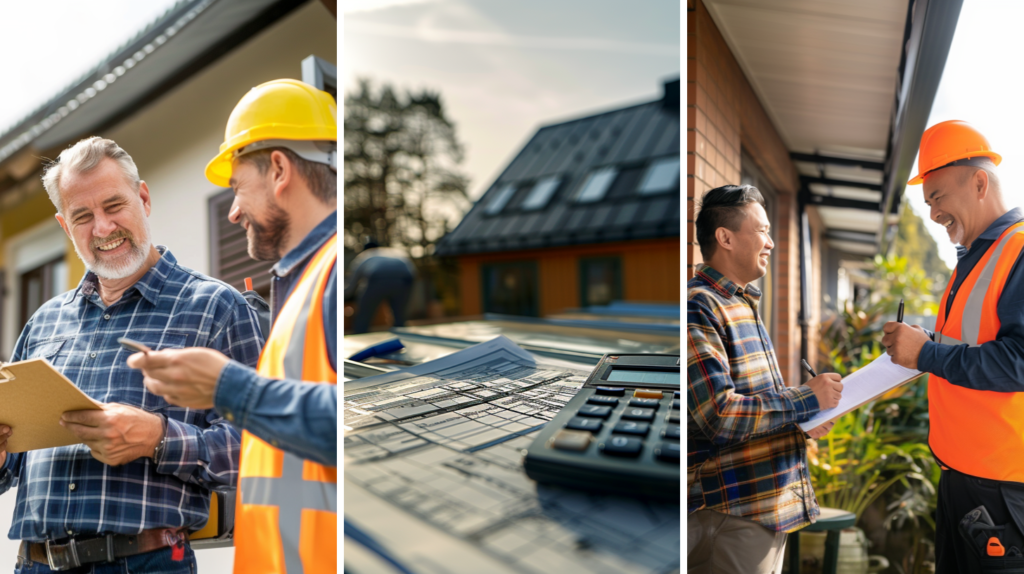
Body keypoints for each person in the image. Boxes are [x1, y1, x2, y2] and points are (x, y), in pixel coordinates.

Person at [0, 137, 263, 573]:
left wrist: (157, 438)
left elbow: (263, 452)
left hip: (147, 563)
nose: (102, 228)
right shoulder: (43, 322)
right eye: (83, 216)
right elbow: (9, 470)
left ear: (143, 198)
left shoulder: (216, 306)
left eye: (114, 205)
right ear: (66, 227)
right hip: (34, 564)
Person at [128, 78, 337, 574]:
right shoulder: (301, 284)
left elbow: (345, 423)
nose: (235, 210)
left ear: (280, 169)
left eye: (238, 186)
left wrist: (227, 388)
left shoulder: (330, 275)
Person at [882, 120, 1024, 572]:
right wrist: (924, 344)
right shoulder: (977, 258)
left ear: (979, 182)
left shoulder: (1018, 250)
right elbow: (971, 344)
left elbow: (1018, 361)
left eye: (938, 196)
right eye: (927, 202)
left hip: (1002, 489)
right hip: (963, 479)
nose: (932, 214)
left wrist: (925, 354)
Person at [687, 184, 843, 574]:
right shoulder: (699, 307)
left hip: (759, 510)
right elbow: (719, 415)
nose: (771, 242)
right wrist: (806, 399)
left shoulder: (741, 303)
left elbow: (754, 404)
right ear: (725, 237)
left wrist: (801, 422)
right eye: (763, 230)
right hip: (732, 515)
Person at [344, 239, 415, 334]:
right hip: (406, 278)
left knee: (363, 315)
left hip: (378, 278)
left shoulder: (365, 255)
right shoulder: (393, 251)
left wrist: (344, 296)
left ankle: (360, 335)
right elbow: (412, 269)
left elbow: (351, 283)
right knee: (399, 317)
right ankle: (402, 337)